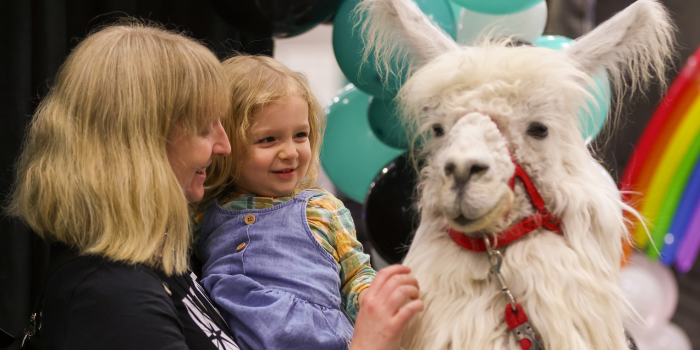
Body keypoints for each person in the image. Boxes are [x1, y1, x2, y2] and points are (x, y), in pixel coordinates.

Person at [8, 23, 422, 350]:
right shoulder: (110, 298)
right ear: (143, 144)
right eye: (207, 128)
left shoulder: (166, 260)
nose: (224, 146)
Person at [195, 55, 415, 350]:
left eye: (300, 135)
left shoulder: (322, 209)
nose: (291, 152)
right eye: (268, 140)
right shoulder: (202, 211)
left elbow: (356, 274)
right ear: (226, 143)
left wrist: (370, 298)